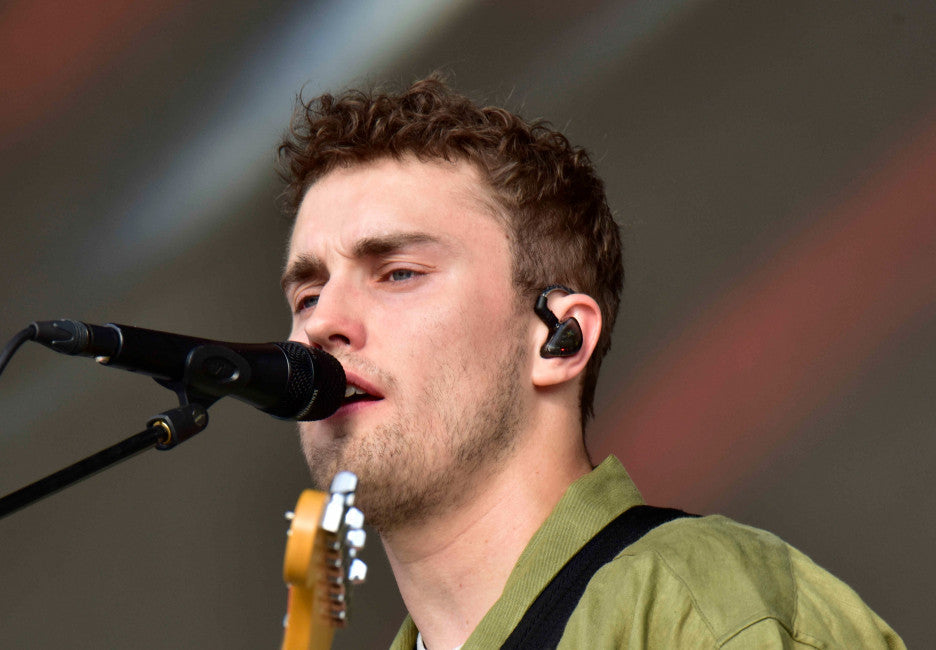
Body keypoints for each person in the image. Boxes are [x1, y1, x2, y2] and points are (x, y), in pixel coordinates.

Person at [277, 75, 903, 649]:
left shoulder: (706, 616)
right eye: (307, 295)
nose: (323, 322)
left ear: (561, 338)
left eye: (398, 273)